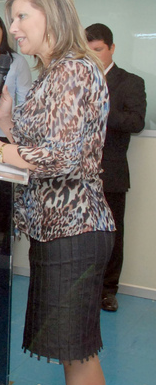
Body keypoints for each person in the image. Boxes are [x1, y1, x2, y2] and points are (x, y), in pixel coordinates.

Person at [0, 0, 115, 385]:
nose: (14, 29)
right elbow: (40, 147)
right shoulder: (52, 73)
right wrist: (7, 120)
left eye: (22, 17)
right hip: (55, 230)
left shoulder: (74, 71)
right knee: (72, 355)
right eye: (12, 19)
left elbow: (61, 157)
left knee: (79, 356)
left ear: (52, 15)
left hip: (76, 229)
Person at [85, 23, 147, 313]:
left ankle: (108, 291)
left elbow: (136, 122)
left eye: (98, 50)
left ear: (111, 48)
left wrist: (101, 109)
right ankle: (82, 288)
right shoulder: (78, 80)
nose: (94, 57)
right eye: (88, 52)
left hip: (111, 171)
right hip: (76, 171)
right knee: (81, 235)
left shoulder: (130, 82)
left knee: (112, 235)